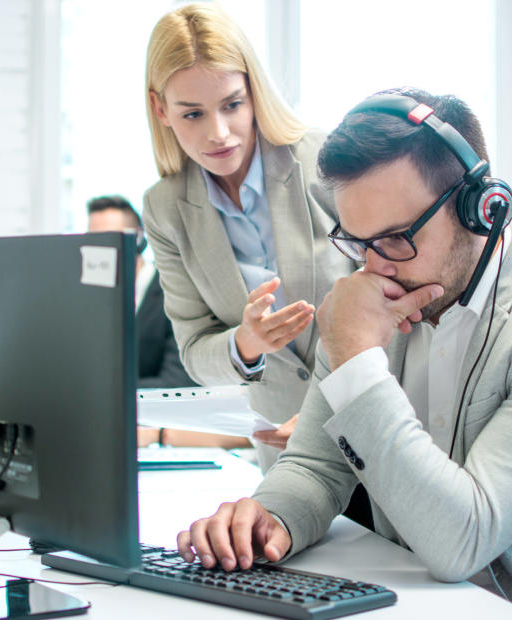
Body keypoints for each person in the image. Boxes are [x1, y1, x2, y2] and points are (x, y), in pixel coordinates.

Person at [175, 88, 512, 619]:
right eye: (356, 243)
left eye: (393, 239)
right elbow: (315, 466)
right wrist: (267, 521)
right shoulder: (380, 291)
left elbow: (463, 540)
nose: (373, 267)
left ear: (481, 209)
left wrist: (357, 360)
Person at [141, 3, 354, 471]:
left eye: (232, 105)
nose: (219, 134)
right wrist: (246, 342)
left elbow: (395, 296)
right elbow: (195, 349)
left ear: (254, 92)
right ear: (161, 109)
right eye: (192, 113)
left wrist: (341, 407)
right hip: (282, 451)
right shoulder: (165, 208)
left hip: (369, 423)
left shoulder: (322, 161)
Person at [87, 195, 249, 450]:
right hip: (108, 428)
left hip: (165, 432)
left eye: (110, 238)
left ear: (138, 240)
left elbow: (176, 380)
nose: (100, 249)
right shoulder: (94, 300)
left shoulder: (172, 293)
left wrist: (97, 393)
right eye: (92, 240)